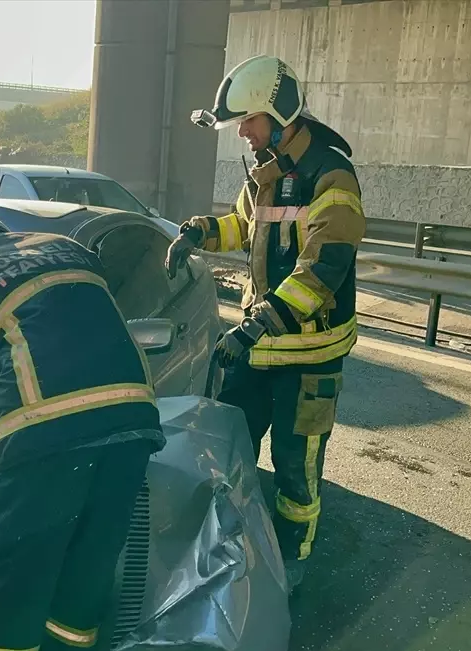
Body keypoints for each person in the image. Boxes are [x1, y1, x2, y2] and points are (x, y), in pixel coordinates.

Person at [166, 54, 365, 591]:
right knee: (232, 448)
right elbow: (243, 226)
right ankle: (235, 545)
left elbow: (323, 268)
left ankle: (293, 561)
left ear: (277, 114)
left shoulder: (331, 174)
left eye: (248, 122)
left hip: (310, 353)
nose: (244, 134)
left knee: (296, 469)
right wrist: (198, 233)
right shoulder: (266, 174)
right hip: (261, 344)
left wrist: (257, 324)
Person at [0, 213, 165, 651]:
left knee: (11, 580)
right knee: (86, 569)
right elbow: (80, 322)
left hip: (46, 431)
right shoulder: (70, 249)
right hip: (133, 419)